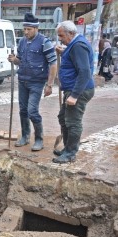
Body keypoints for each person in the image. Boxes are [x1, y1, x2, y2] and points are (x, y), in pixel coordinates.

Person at [8, 13, 57, 151]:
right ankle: (25, 136)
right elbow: (20, 60)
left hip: (37, 82)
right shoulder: (22, 41)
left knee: (32, 111)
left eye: (29, 29)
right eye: (24, 29)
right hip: (22, 80)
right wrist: (13, 59)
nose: (26, 32)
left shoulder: (44, 42)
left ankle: (39, 139)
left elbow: (53, 64)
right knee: (23, 110)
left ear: (36, 28)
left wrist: (50, 84)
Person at [53, 21, 95, 163]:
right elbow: (75, 60)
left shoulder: (78, 46)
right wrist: (64, 51)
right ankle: (67, 148)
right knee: (63, 118)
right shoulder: (74, 45)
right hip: (72, 89)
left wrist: (75, 95)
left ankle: (70, 153)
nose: (60, 38)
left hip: (79, 91)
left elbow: (84, 72)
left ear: (71, 33)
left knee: (72, 122)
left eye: (61, 35)